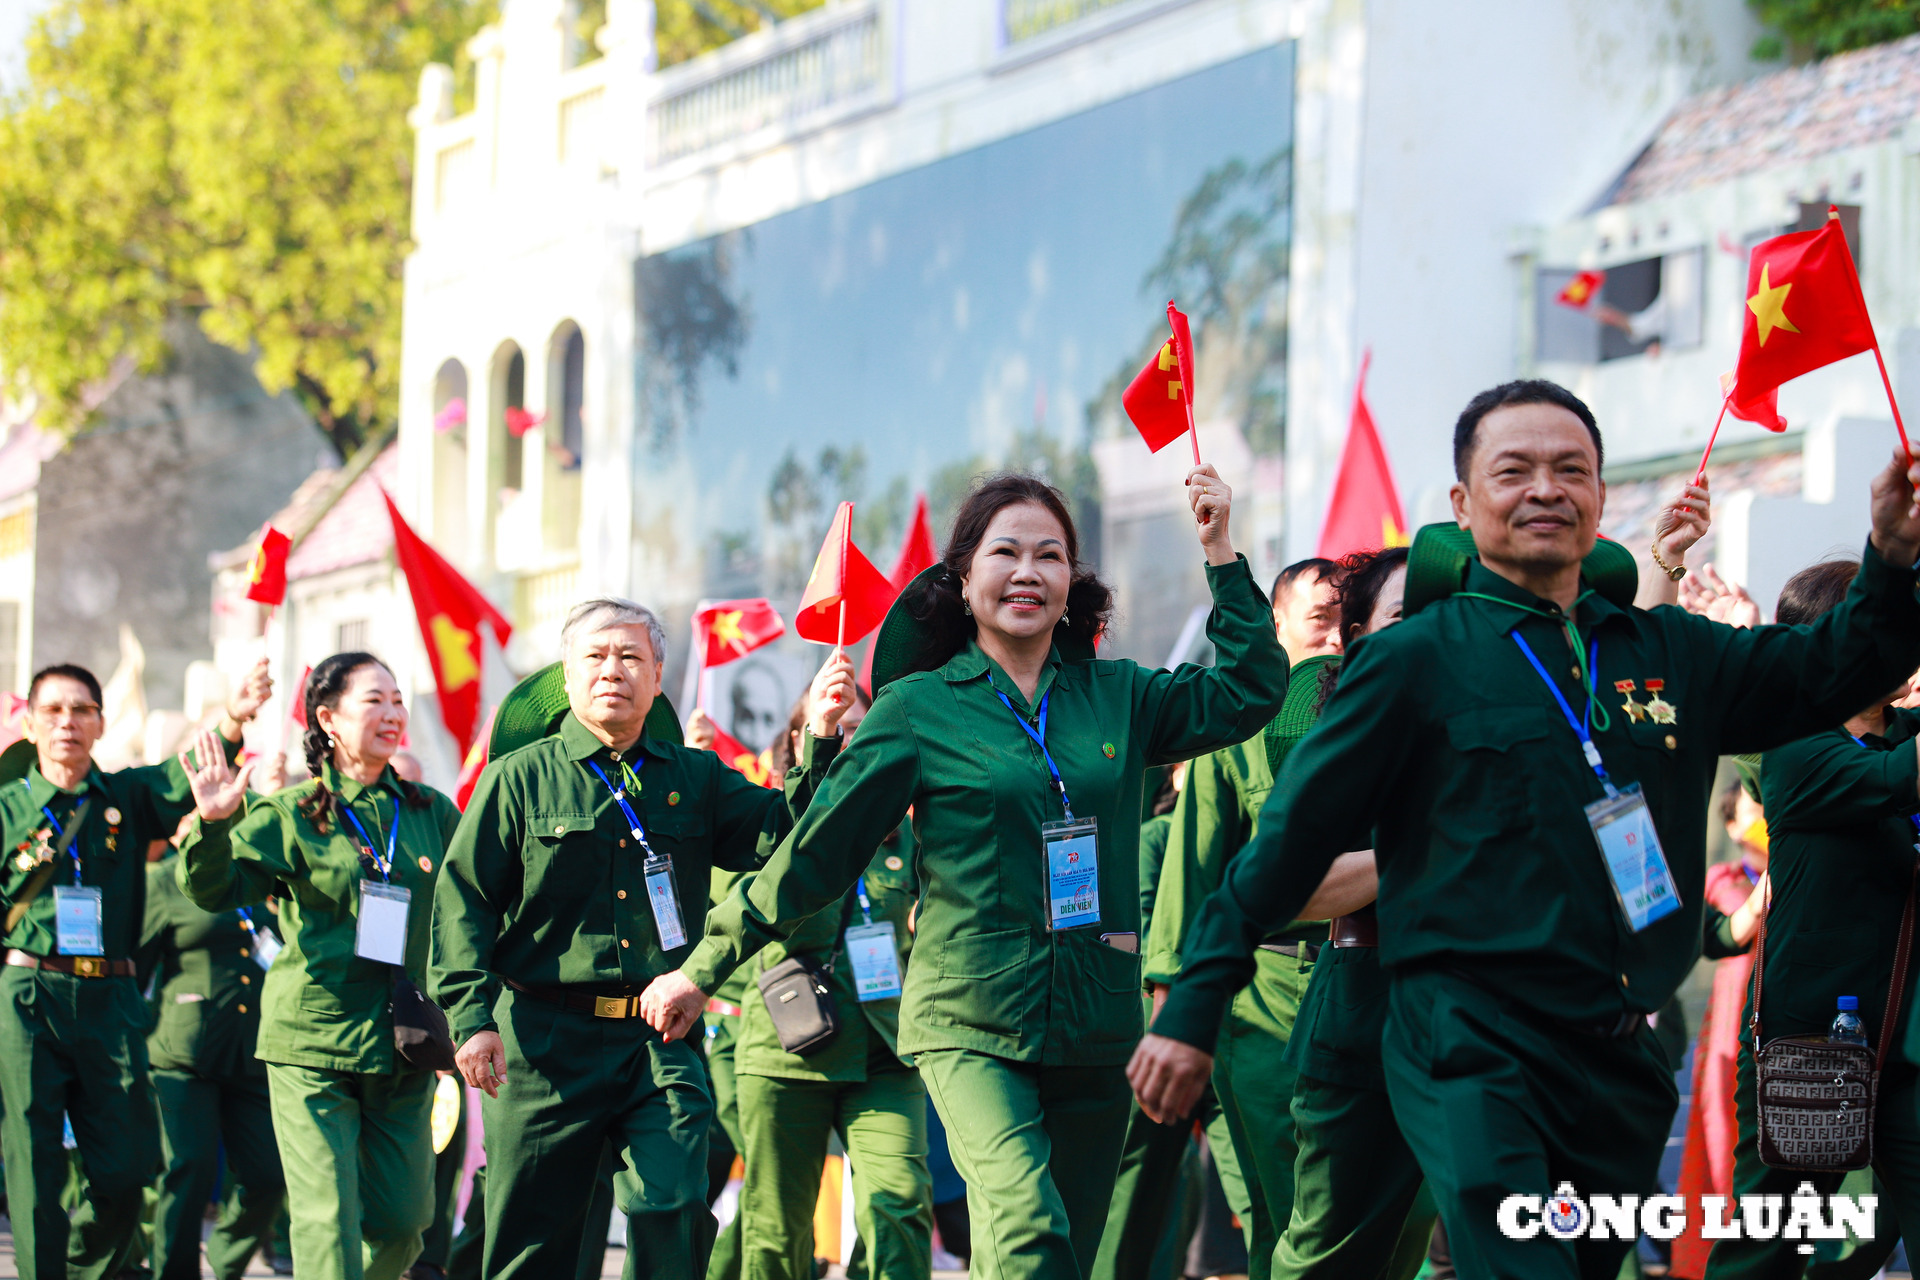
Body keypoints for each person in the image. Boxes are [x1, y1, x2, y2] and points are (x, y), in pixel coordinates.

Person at [1132, 378, 1920, 1280]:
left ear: (1597, 495)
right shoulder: (1410, 661)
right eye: (1514, 470)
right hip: (1471, 1042)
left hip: (1621, 1055)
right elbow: (1290, 845)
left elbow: (1831, 666)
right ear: (1464, 504)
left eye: (1570, 469)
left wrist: (1891, 559)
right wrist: (1190, 1011)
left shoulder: (1667, 651)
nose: (1545, 487)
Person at [642, 464, 1292, 1279]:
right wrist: (702, 970)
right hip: (972, 1020)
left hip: (1097, 1025)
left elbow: (1253, 689)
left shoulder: (1122, 695)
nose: (1028, 572)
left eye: (1051, 556)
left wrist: (1221, 551)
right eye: (1006, 552)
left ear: (1072, 582)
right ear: (963, 577)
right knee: (1028, 1233)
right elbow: (810, 856)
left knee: (1058, 1256)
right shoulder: (916, 710)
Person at [430, 599, 855, 1280]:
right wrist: (471, 1020)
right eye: (595, 657)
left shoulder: (696, 777)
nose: (613, 671)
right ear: (567, 678)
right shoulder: (518, 779)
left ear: (658, 675)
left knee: (674, 1205)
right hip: (541, 1041)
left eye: (631, 657)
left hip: (656, 1038)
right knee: (530, 1240)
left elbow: (789, 834)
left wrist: (823, 741)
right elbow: (464, 904)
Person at [179, 651, 463, 1280]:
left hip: (405, 1042)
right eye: (374, 701)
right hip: (312, 1039)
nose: (392, 713)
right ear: (329, 718)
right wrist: (214, 824)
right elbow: (214, 889)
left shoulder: (429, 812)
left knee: (403, 1222)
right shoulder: (292, 812)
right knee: (325, 1219)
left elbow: (472, 906)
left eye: (397, 699)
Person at [0, 658, 270, 1280]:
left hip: (111, 999)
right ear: (31, 724)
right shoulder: (8, 808)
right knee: (35, 1161)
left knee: (128, 1171)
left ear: (101, 723)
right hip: (28, 993)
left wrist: (232, 715)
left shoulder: (123, 796)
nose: (68, 722)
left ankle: (81, 1266)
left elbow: (184, 779)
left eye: (82, 711)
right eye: (54, 711)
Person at [1135, 556, 1364, 1280]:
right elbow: (1192, 881)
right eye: (1320, 623)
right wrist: (1178, 1013)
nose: (1335, 642)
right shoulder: (1235, 735)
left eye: (1348, 627)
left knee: (1393, 1208)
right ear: (1278, 628)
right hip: (1268, 1002)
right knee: (1290, 1214)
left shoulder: (1389, 722)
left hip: (1379, 988)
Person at [1704, 559, 1920, 1279]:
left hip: (1905, 1049)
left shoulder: (1895, 728)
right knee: (1772, 1248)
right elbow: (1898, 778)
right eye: (1878, 627)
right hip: (1819, 1047)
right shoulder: (1798, 752)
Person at [732, 686, 931, 1280]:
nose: (850, 742)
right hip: (786, 1051)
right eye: (833, 730)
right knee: (775, 1230)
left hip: (885, 1051)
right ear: (800, 743)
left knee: (899, 1205)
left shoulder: (909, 837)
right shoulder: (769, 826)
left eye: (863, 730)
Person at [138, 809, 288, 1280]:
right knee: (190, 1170)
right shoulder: (162, 882)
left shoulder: (251, 883)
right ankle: (174, 1272)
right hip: (184, 1052)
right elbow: (133, 969)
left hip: (252, 1052)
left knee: (269, 1174)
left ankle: (222, 1263)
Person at [1666, 783, 1769, 1280]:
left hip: (1781, 1018)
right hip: (1730, 1027)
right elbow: (1729, 931)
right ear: (1730, 824)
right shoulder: (1723, 877)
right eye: (1754, 812)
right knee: (1721, 1135)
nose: (1763, 819)